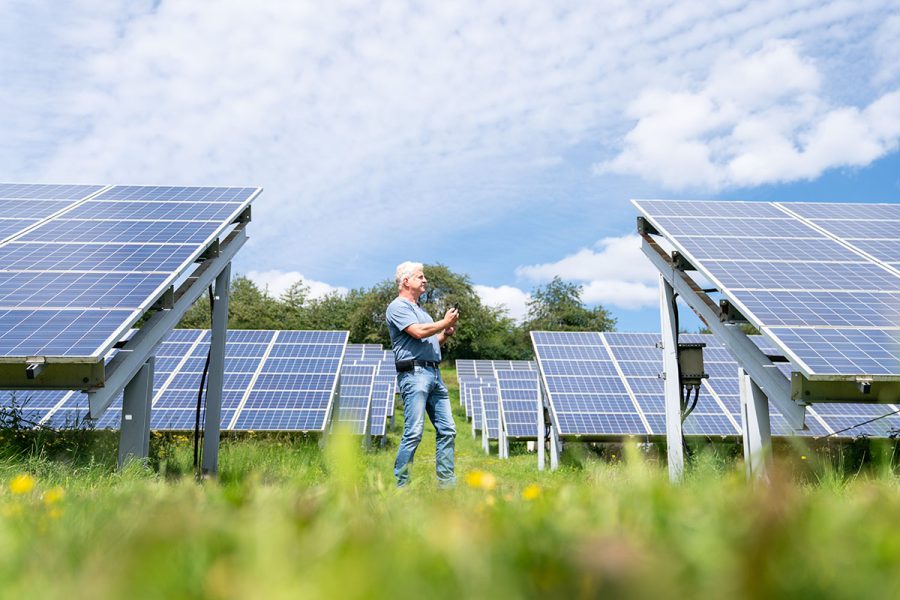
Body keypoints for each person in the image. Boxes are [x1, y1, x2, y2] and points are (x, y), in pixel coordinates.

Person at [386, 261, 460, 488]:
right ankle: (402, 486)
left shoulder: (423, 313)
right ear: (406, 281)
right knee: (414, 432)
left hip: (435, 374)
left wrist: (445, 333)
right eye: (420, 277)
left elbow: (432, 341)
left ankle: (446, 486)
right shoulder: (397, 307)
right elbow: (417, 333)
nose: (425, 280)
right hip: (414, 373)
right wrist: (443, 322)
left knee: (448, 430)